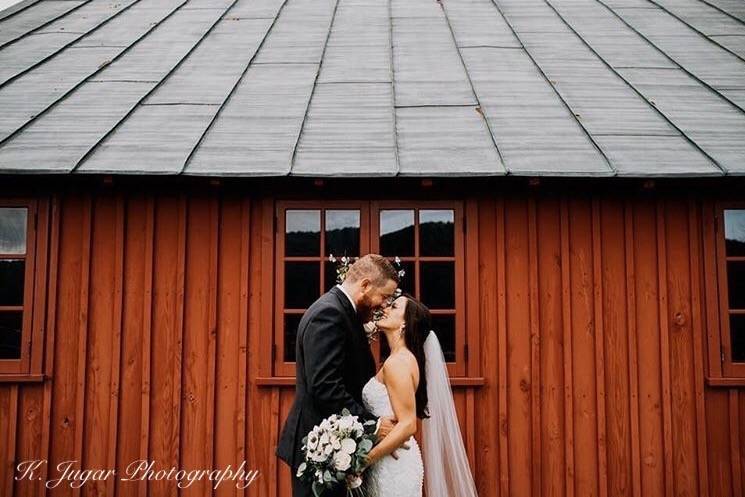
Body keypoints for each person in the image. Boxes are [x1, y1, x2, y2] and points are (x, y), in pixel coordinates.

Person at [275, 254, 410, 497]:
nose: (384, 304)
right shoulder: (329, 314)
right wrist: (374, 425)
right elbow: (325, 386)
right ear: (366, 285)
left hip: (339, 447)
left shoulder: (343, 311)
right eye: (384, 296)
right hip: (321, 450)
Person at [359, 293, 479, 497]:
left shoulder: (398, 363)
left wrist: (363, 461)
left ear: (405, 323)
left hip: (393, 464)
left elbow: (408, 424)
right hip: (389, 458)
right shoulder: (402, 358)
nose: (385, 309)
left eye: (394, 307)